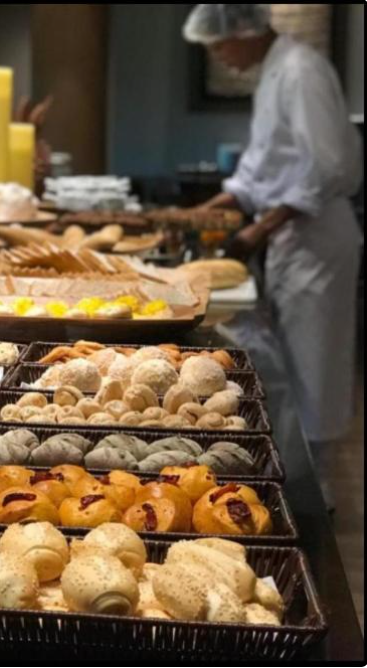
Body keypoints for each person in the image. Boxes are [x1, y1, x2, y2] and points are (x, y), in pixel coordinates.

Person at [183, 5, 363, 486]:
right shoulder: (274, 73)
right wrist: (203, 211)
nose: (219, 56)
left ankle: (314, 493)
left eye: (219, 45)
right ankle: (293, 474)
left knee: (314, 366)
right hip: (292, 237)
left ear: (244, 30)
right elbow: (260, 171)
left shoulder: (302, 70)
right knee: (295, 365)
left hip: (319, 238)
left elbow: (327, 169)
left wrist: (257, 231)